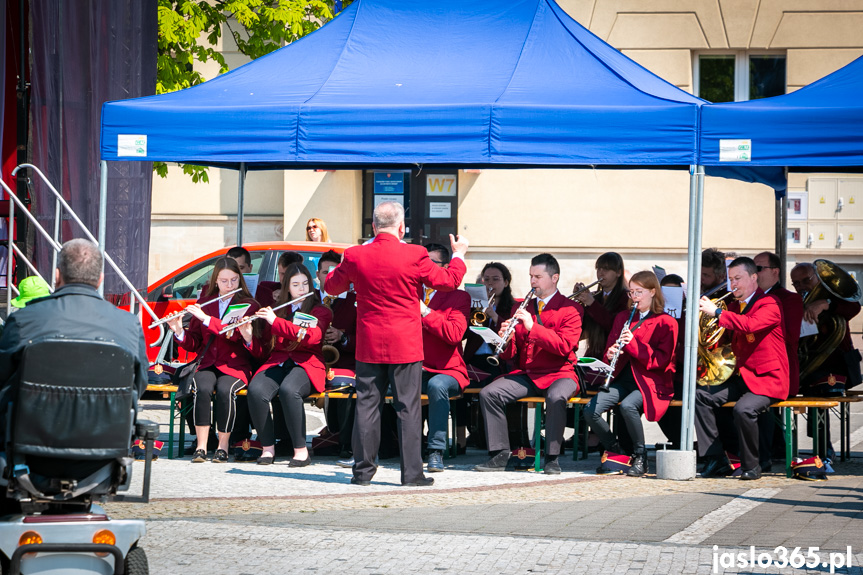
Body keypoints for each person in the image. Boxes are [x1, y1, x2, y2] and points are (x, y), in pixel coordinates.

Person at [324, 201, 468, 487]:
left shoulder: (355, 254)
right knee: (408, 408)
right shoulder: (415, 253)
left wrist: (350, 261)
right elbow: (449, 280)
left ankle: (362, 474)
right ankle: (412, 474)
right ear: (402, 227)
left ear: (374, 227)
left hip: (369, 343)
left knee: (367, 407)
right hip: (405, 343)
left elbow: (331, 286)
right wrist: (459, 254)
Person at [0, 239, 149, 496]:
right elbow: (140, 385)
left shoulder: (24, 319)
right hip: (102, 459)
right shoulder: (127, 324)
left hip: (28, 457)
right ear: (101, 278)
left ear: (57, 275)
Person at [475, 253, 582, 475]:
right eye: (531, 276)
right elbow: (511, 354)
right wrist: (503, 340)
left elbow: (564, 346)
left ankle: (552, 457)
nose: (533, 281)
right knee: (489, 393)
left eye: (538, 276)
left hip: (560, 372)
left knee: (556, 397)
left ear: (554, 278)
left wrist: (533, 327)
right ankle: (500, 453)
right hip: (529, 372)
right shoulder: (523, 306)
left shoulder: (571, 309)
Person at [696, 257, 789, 480]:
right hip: (745, 377)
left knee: (743, 410)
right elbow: (729, 335)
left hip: (769, 378)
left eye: (738, 278)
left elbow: (750, 325)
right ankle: (715, 459)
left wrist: (717, 313)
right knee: (701, 397)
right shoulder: (736, 306)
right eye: (730, 279)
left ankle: (752, 465)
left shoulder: (770, 303)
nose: (733, 284)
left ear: (754, 277)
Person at [167, 257, 261, 463]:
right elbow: (195, 343)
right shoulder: (204, 304)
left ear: (240, 280)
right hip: (208, 363)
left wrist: (206, 319)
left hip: (235, 365)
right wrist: (179, 331)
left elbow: (232, 334)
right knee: (201, 388)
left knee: (226, 391)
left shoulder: (248, 305)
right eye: (224, 281)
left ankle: (223, 446)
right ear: (215, 281)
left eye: (234, 280)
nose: (229, 286)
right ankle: (201, 446)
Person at [584, 271, 677, 477]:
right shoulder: (623, 317)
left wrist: (633, 343)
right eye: (631, 292)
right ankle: (617, 451)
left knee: (628, 406)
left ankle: (640, 456)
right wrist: (610, 353)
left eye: (639, 292)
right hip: (623, 379)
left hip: (650, 381)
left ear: (653, 292)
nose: (634, 297)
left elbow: (660, 361)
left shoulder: (666, 322)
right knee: (591, 410)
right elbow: (610, 351)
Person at [243, 263, 332, 466]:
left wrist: (276, 322)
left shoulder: (320, 311)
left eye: (305, 284)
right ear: (287, 288)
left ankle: (300, 451)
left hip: (307, 363)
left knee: (289, 390)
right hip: (279, 362)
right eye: (295, 284)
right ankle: (267, 448)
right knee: (256, 390)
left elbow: (312, 337)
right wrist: (247, 336)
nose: (301, 289)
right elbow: (264, 350)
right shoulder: (277, 311)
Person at [419, 243, 471, 473]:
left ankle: (435, 451)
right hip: (415, 366)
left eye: (432, 263)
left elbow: (454, 334)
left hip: (447, 370)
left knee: (436, 385)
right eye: (423, 264)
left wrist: (425, 312)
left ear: (446, 267)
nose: (426, 269)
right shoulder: (411, 291)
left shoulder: (459, 297)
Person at [753, 251, 803, 470]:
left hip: (776, 372)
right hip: (754, 370)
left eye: (759, 269)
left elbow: (790, 337)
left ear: (775, 272)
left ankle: (765, 456)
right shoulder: (750, 298)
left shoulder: (789, 299)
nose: (754, 274)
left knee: (759, 408)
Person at [791, 262, 862, 394]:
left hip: (838, 367)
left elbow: (854, 307)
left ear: (818, 277)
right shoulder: (795, 302)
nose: (801, 287)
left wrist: (826, 303)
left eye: (806, 280)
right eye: (796, 283)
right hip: (809, 370)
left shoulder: (834, 297)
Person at [316, 249, 358, 460]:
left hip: (344, 361)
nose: (330, 276)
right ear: (317, 275)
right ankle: (286, 441)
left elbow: (363, 338)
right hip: (312, 361)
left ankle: (345, 443)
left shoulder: (354, 301)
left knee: (344, 384)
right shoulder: (311, 298)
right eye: (325, 272)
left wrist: (343, 337)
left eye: (336, 272)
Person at [572, 252, 628, 365]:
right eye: (599, 268)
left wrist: (591, 303)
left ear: (618, 272)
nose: (601, 273)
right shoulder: (596, 297)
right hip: (594, 354)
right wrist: (578, 304)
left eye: (606, 269)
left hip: (613, 357)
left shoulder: (626, 298)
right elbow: (582, 328)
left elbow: (613, 326)